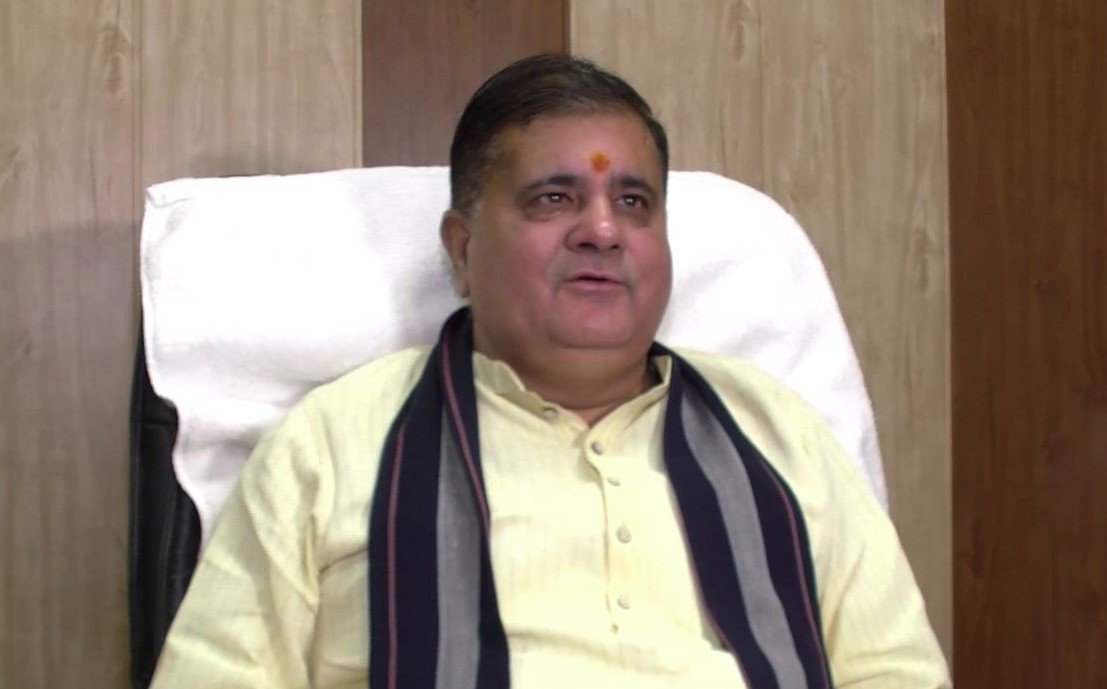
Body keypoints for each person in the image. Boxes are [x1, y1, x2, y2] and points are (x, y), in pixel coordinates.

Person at [149, 53, 950, 689]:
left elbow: (894, 671)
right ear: (462, 250)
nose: (602, 229)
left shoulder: (777, 431)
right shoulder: (333, 442)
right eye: (553, 199)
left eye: (633, 202)